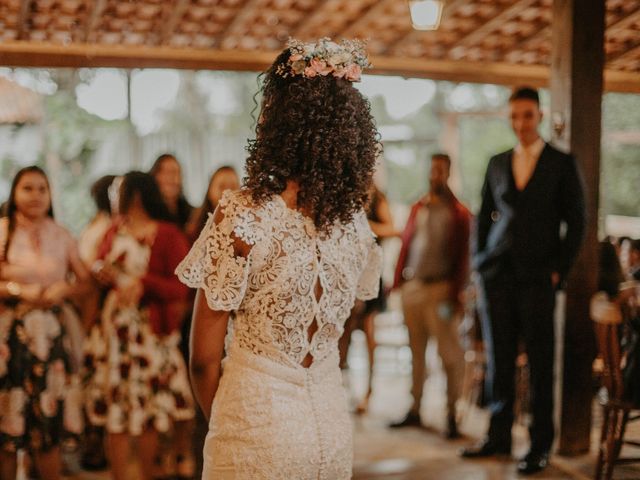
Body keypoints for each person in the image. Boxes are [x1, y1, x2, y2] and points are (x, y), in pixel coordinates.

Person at [176, 38, 382, 479]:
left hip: (257, 427)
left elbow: (201, 359)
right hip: (330, 427)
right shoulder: (355, 228)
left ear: (280, 123)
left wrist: (231, 423)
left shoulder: (243, 216)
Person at [461, 86, 586, 475]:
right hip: (496, 274)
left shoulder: (561, 163)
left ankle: (539, 445)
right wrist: (479, 262)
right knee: (499, 358)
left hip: (538, 277)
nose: (520, 123)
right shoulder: (498, 162)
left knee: (540, 360)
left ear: (540, 116)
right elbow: (483, 215)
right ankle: (498, 437)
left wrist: (558, 271)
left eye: (527, 115)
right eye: (514, 116)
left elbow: (578, 222)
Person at [83, 172, 194, 480]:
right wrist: (99, 269)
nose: (112, 196)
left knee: (147, 412)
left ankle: (149, 472)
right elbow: (97, 263)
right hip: (114, 331)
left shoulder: (168, 234)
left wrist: (144, 283)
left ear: (135, 195)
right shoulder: (113, 230)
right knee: (115, 409)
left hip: (147, 332)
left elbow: (182, 287)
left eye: (119, 190)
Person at [0, 166, 89, 480]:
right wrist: (17, 290)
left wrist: (63, 288)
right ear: (14, 192)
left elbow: (84, 281)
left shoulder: (61, 234)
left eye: (42, 188)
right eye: (27, 188)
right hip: (10, 338)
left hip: (50, 340)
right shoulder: (3, 230)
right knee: (8, 429)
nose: (35, 195)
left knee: (48, 425)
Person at [389, 153, 471, 439]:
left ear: (448, 174)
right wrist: (397, 281)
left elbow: (464, 258)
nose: (435, 175)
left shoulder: (459, 213)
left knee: (449, 354)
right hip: (413, 287)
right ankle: (415, 408)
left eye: (440, 171)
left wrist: (457, 293)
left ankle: (451, 413)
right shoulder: (417, 207)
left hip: (441, 291)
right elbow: (406, 245)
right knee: (415, 352)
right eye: (432, 170)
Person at [183, 165, 240, 478]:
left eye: (234, 185)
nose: (228, 191)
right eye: (222, 185)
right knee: (200, 394)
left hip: (233, 330)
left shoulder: (246, 229)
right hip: (199, 320)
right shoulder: (198, 227)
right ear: (209, 189)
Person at [338, 184, 399, 415]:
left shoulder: (377, 198)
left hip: (369, 274)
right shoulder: (343, 194)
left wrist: (365, 227)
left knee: (370, 337)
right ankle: (345, 389)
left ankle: (369, 391)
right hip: (345, 276)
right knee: (342, 338)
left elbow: (392, 229)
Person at [149, 153, 193, 233]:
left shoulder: (190, 214)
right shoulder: (147, 213)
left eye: (177, 173)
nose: (173, 179)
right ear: (155, 176)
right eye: (168, 173)